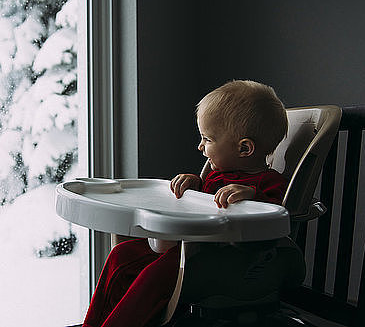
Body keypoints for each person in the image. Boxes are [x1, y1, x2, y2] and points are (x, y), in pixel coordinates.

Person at [81, 80, 295, 327]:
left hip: (227, 261)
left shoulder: (269, 182)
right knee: (121, 254)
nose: (200, 147)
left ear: (244, 148)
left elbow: (276, 217)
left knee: (155, 276)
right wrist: (194, 184)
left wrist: (251, 196)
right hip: (188, 249)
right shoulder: (214, 176)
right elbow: (199, 205)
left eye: (207, 139)